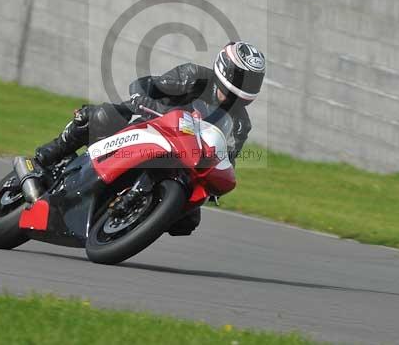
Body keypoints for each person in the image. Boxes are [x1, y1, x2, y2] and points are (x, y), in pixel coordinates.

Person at [32, 42, 266, 236]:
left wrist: (218, 180)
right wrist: (145, 97)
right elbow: (149, 85)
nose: (247, 85)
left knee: (189, 219)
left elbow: (228, 158)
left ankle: (136, 220)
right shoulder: (194, 77)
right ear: (224, 69)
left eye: (253, 81)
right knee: (98, 117)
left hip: (183, 160)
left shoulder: (241, 124)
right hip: (146, 127)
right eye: (242, 77)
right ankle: (48, 156)